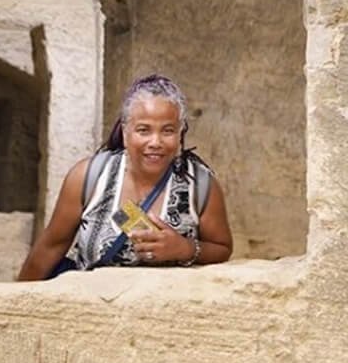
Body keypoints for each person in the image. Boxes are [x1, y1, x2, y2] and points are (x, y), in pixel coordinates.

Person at [17, 74, 232, 280]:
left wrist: (184, 248)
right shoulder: (88, 177)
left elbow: (222, 248)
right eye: (143, 130)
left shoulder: (200, 185)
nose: (155, 142)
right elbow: (50, 248)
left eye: (167, 131)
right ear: (125, 132)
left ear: (180, 133)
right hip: (92, 310)